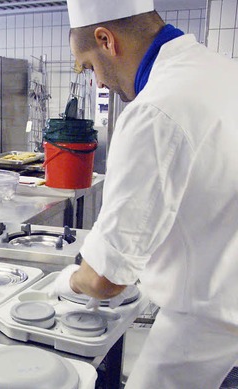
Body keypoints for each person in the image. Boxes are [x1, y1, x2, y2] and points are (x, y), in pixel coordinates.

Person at [50, 0, 238, 388]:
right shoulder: (224, 73)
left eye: (88, 65)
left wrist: (65, 281)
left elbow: (105, 280)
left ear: (106, 40)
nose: (98, 83)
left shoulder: (156, 109)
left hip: (205, 320)